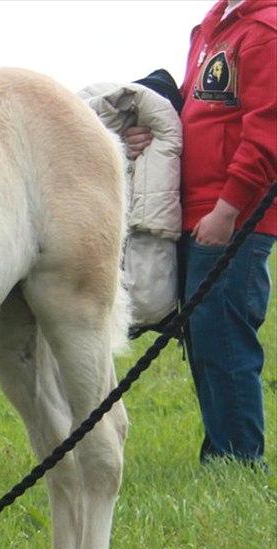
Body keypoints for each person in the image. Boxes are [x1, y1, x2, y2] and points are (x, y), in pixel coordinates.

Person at [126, 0, 276, 467]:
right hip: (197, 210)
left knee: (224, 339)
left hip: (234, 216)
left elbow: (268, 132)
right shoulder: (213, 26)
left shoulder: (266, 31)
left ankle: (240, 461)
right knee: (204, 339)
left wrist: (228, 208)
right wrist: (144, 133)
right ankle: (223, 454)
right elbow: (194, 113)